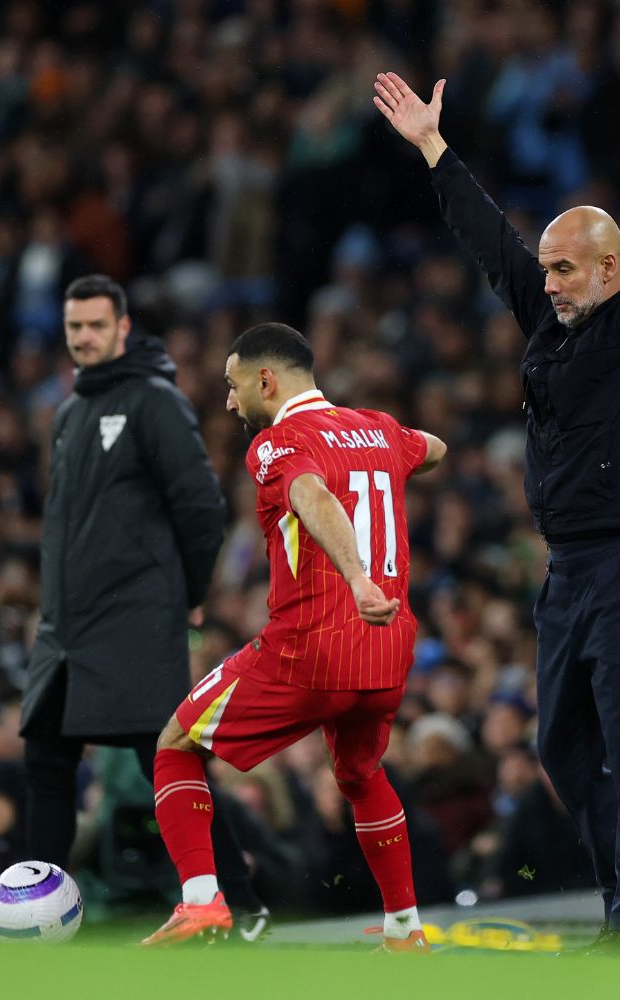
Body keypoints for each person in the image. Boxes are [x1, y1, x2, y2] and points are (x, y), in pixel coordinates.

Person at [375, 72, 620, 950]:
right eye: (547, 267)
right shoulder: (551, 326)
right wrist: (434, 148)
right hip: (568, 570)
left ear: (608, 269)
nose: (547, 282)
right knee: (559, 747)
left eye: (564, 268)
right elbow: (493, 245)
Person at [143, 322, 447, 950]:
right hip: (388, 650)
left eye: (233, 386)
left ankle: (201, 903)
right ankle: (405, 929)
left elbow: (311, 493)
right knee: (360, 775)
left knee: (176, 743)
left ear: (266, 380)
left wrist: (358, 578)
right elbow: (434, 448)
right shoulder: (379, 428)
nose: (230, 403)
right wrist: (388, 460)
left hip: (313, 646)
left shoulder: (276, 444)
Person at [19, 275, 268, 936]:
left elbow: (202, 506)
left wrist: (190, 594)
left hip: (133, 620)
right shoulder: (70, 413)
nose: (84, 338)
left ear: (123, 328)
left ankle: (242, 908)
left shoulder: (154, 401)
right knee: (45, 761)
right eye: (75, 327)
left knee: (169, 761)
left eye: (96, 325)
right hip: (66, 630)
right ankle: (40, 916)